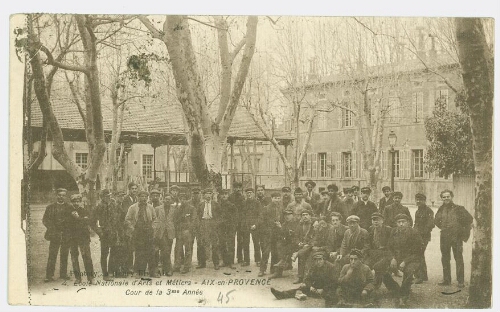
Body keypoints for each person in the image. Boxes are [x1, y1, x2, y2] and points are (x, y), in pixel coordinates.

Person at [270, 251, 339, 307]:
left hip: (327, 288)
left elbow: (334, 282)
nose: (318, 262)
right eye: (316, 260)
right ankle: (281, 295)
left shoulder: (331, 267)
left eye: (320, 259)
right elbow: (306, 279)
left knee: (331, 296)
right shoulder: (314, 267)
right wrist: (310, 287)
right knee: (300, 288)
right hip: (316, 288)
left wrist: (323, 289)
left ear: (324, 259)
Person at [435, 190, 473, 288]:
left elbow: (469, 219)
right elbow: (436, 221)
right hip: (444, 237)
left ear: (452, 197)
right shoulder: (441, 209)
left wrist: (462, 232)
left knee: (458, 258)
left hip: (456, 237)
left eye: (448, 196)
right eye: (444, 197)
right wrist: (444, 228)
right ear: (442, 198)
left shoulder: (459, 209)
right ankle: (446, 279)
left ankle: (460, 281)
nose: (446, 198)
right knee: (445, 258)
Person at [386, 213, 423, 308]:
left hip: (411, 259)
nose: (401, 224)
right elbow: (389, 247)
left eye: (403, 222)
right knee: (380, 267)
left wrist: (405, 261)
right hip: (396, 258)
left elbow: (417, 252)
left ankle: (403, 294)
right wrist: (393, 258)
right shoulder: (394, 232)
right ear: (396, 223)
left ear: (408, 223)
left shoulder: (414, 233)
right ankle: (394, 288)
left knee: (409, 271)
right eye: (399, 222)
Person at [42, 188, 73, 282]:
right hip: (54, 234)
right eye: (59, 195)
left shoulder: (69, 207)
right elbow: (45, 220)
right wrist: (52, 228)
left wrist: (67, 228)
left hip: (65, 235)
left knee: (64, 254)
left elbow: (72, 221)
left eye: (63, 195)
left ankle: (63, 274)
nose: (61, 197)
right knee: (52, 254)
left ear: (66, 196)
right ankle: (49, 275)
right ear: (56, 196)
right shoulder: (50, 207)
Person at [125, 190, 157, 278]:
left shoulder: (150, 207)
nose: (143, 198)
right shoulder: (133, 207)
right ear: (138, 198)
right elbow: (127, 219)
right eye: (142, 197)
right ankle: (138, 272)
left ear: (147, 198)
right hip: (138, 232)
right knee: (139, 252)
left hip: (148, 231)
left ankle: (152, 272)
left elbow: (155, 219)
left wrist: (153, 228)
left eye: (145, 197)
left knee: (150, 252)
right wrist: (133, 229)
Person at [92, 189, 121, 281]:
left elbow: (119, 216)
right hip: (104, 234)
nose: (108, 197)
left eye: (109, 196)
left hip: (113, 232)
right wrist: (100, 232)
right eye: (106, 196)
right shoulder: (98, 207)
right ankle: (105, 274)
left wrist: (117, 230)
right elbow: (93, 222)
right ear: (102, 197)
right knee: (104, 254)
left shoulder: (114, 205)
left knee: (114, 252)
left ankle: (111, 271)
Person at [68, 194, 94, 284]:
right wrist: (81, 220)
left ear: (80, 202)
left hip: (83, 237)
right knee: (74, 258)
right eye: (74, 201)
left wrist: (78, 218)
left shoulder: (85, 211)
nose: (76, 203)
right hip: (72, 238)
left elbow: (88, 221)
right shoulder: (68, 212)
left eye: (78, 201)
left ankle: (90, 278)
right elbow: (67, 224)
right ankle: (78, 278)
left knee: (87, 257)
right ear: (71, 202)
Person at [364, 212, 393, 291]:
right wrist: (368, 253)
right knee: (365, 265)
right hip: (374, 254)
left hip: (385, 255)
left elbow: (392, 246)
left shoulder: (388, 230)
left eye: (378, 220)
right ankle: (365, 285)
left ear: (382, 221)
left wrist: (390, 257)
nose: (375, 222)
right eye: (373, 220)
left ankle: (376, 286)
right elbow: (368, 244)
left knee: (378, 267)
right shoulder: (371, 229)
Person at [257, 192, 282, 276]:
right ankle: (262, 270)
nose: (277, 200)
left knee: (275, 252)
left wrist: (280, 225)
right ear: (272, 198)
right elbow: (261, 221)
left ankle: (273, 269)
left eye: (279, 198)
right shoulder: (266, 208)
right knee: (266, 252)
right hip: (268, 233)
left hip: (277, 233)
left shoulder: (281, 208)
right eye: (275, 198)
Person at [153, 189, 177, 276]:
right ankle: (168, 269)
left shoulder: (174, 209)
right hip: (160, 232)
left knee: (167, 250)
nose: (167, 201)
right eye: (166, 199)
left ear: (171, 200)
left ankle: (164, 268)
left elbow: (176, 220)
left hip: (170, 232)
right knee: (165, 250)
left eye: (169, 199)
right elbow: (154, 220)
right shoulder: (157, 209)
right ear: (163, 199)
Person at [196, 188, 221, 270]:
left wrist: (216, 224)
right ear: (204, 195)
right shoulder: (200, 205)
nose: (208, 195)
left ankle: (216, 263)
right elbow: (197, 216)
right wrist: (199, 225)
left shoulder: (216, 204)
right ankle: (202, 263)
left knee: (215, 244)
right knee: (201, 244)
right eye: (206, 193)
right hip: (203, 224)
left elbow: (219, 216)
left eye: (210, 193)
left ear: (212, 195)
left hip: (212, 224)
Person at [413, 193, 435, 284]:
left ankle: (420, 276)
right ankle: (423, 275)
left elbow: (430, 225)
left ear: (424, 201)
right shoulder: (417, 211)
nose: (418, 201)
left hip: (423, 237)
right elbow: (416, 224)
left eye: (420, 200)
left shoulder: (428, 211)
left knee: (419, 254)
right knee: (420, 254)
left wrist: (421, 235)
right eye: (417, 200)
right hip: (417, 236)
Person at [272, 208, 299, 279]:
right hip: (288, 243)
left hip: (296, 243)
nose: (287, 216)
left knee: (285, 248)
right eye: (285, 215)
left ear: (293, 215)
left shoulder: (296, 223)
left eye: (289, 214)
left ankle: (281, 264)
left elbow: (294, 234)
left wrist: (281, 228)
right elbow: (282, 234)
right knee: (278, 246)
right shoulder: (285, 224)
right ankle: (278, 271)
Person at [174, 188, 195, 274]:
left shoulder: (191, 208)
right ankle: (177, 265)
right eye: (181, 198)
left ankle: (187, 266)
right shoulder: (177, 209)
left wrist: (189, 229)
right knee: (178, 249)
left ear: (187, 199)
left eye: (184, 199)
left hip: (187, 231)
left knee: (188, 249)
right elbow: (175, 220)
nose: (182, 200)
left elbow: (194, 220)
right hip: (179, 231)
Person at [240, 188, 262, 266]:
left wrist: (255, 224)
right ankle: (246, 261)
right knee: (245, 243)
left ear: (253, 193)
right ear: (245, 194)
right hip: (245, 226)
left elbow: (260, 215)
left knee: (256, 243)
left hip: (254, 226)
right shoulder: (243, 203)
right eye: (247, 193)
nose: (249, 194)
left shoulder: (257, 203)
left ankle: (258, 260)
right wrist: (244, 224)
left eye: (250, 193)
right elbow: (242, 215)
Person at [121, 182, 138, 274]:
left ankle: (136, 267)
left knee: (136, 247)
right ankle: (129, 267)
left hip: (137, 227)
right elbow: (126, 214)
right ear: (129, 190)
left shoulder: (137, 199)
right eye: (132, 189)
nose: (134, 190)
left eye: (135, 188)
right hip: (128, 227)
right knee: (129, 248)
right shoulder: (126, 200)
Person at [218, 189, 238, 269]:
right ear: (220, 196)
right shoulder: (218, 205)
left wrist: (233, 227)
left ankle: (231, 262)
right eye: (222, 194)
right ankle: (224, 261)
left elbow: (236, 217)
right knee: (222, 243)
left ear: (228, 195)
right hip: (221, 227)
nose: (224, 196)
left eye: (226, 194)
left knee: (231, 244)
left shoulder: (232, 206)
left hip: (230, 228)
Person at [228, 182, 245, 264]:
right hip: (232, 222)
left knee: (240, 240)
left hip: (240, 221)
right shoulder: (230, 197)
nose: (238, 189)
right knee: (231, 240)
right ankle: (230, 259)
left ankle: (240, 257)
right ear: (233, 188)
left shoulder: (242, 197)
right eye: (236, 187)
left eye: (239, 187)